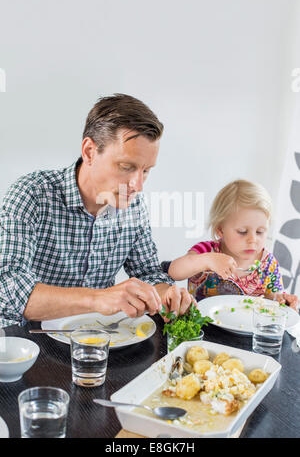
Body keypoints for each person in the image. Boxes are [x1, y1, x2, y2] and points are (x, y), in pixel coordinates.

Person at [0, 94, 194, 328]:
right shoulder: (31, 194)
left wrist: (165, 293)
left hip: (96, 340)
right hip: (25, 341)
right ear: (90, 152)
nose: (138, 185)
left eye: (145, 171)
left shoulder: (133, 206)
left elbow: (148, 271)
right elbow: (8, 288)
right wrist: (100, 298)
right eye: (126, 167)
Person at [166, 179, 299, 310]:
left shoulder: (268, 264)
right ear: (220, 229)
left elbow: (273, 297)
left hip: (247, 330)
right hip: (204, 328)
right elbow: (174, 272)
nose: (252, 239)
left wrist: (282, 300)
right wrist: (206, 260)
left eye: (260, 232)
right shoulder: (206, 251)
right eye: (242, 232)